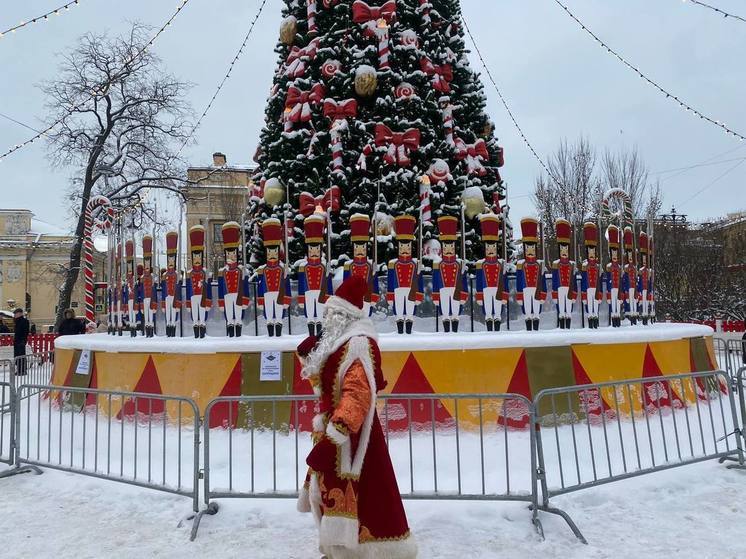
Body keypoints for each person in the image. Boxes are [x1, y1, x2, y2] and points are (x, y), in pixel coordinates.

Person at [297, 276, 417, 559]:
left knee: (363, 496)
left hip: (351, 435)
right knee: (335, 494)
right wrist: (309, 359)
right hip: (337, 429)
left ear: (345, 314)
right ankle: (339, 550)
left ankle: (362, 553)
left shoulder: (359, 343)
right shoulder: (340, 342)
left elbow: (357, 394)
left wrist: (335, 435)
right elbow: (326, 389)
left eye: (332, 313)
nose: (328, 318)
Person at [13, 308, 30, 376]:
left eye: (15, 313)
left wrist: (23, 340)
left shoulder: (24, 321)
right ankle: (19, 370)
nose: (14, 315)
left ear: (20, 313)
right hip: (17, 341)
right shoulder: (17, 321)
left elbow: (25, 332)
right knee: (17, 356)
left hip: (21, 341)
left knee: (21, 356)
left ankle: (22, 370)